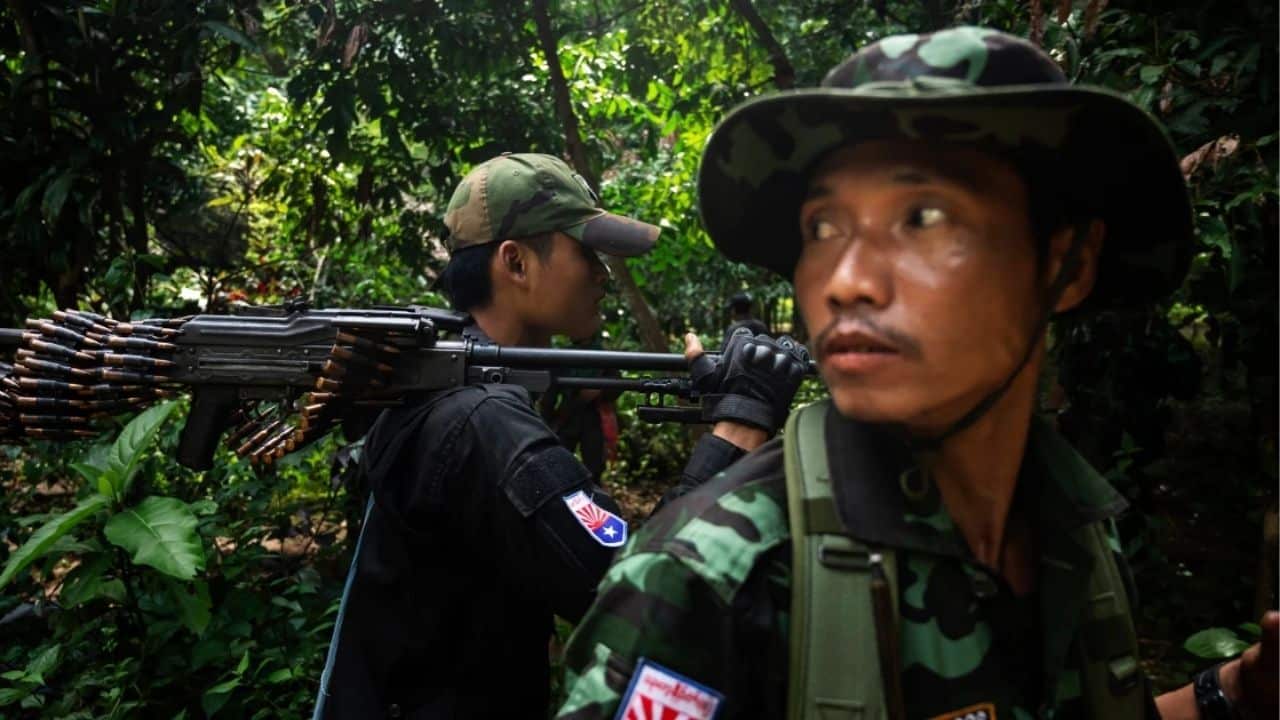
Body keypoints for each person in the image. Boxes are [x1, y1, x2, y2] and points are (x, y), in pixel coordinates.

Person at [555, 28, 1278, 720]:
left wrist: (1231, 695)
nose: (846, 281)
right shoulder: (715, 582)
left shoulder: (1076, 534)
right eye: (822, 228)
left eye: (924, 217)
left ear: (1067, 263)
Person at [312, 152, 810, 719]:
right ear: (515, 262)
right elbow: (634, 592)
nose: (602, 274)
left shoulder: (446, 384)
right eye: (586, 253)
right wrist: (738, 427)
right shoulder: (484, 421)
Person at [539, 335, 621, 481]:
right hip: (568, 414)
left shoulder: (604, 355)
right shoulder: (563, 356)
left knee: (594, 466)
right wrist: (547, 422)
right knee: (558, 463)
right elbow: (549, 393)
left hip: (594, 416)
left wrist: (599, 391)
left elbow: (617, 384)